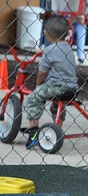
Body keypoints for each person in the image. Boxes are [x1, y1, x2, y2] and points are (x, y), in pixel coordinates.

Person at [23, 14, 78, 149]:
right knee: (58, 103)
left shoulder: (49, 50)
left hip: (55, 86)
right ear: (66, 33)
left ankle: (33, 132)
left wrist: (38, 85)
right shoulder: (69, 49)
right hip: (71, 87)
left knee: (33, 98)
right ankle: (57, 128)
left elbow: (42, 72)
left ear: (46, 33)